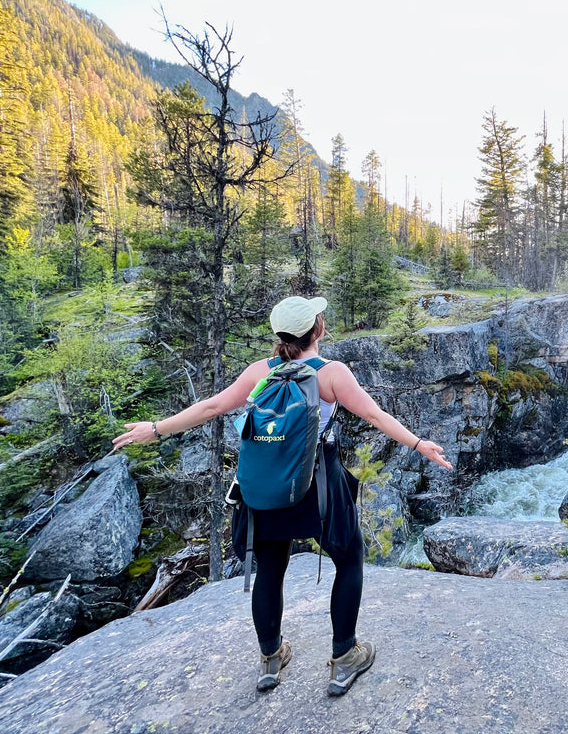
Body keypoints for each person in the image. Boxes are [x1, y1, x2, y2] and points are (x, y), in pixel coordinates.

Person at [113, 295, 453, 694]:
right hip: (318, 486)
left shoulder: (261, 370)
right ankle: (344, 659)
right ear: (318, 330)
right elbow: (373, 415)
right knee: (349, 559)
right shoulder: (331, 373)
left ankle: (271, 659)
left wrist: (154, 428)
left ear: (279, 334)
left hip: (267, 485)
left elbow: (212, 407)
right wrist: (418, 444)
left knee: (270, 571)